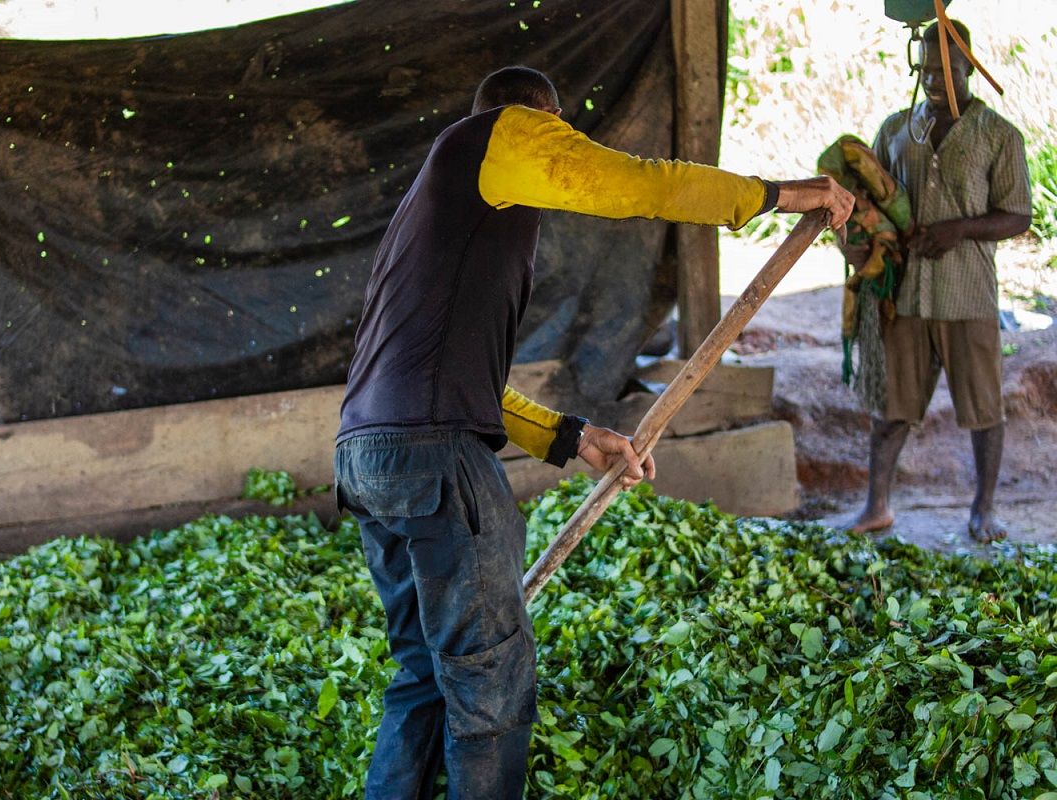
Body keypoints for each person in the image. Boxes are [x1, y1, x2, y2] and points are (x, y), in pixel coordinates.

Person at [333, 65, 853, 800]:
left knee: (425, 671)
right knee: (490, 689)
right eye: (559, 134)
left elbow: (452, 385)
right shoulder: (502, 135)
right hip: (432, 459)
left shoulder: (437, 215)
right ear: (543, 122)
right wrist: (778, 196)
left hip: (369, 456)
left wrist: (575, 438)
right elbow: (646, 185)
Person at [844, 20, 1032, 543]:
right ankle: (876, 506)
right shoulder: (896, 130)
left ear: (969, 66)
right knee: (891, 407)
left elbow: (1018, 216)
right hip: (903, 295)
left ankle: (983, 511)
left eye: (944, 69)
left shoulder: (998, 136)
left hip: (967, 292)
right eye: (924, 68)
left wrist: (960, 230)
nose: (931, 79)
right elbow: (868, 203)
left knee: (983, 408)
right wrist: (855, 241)